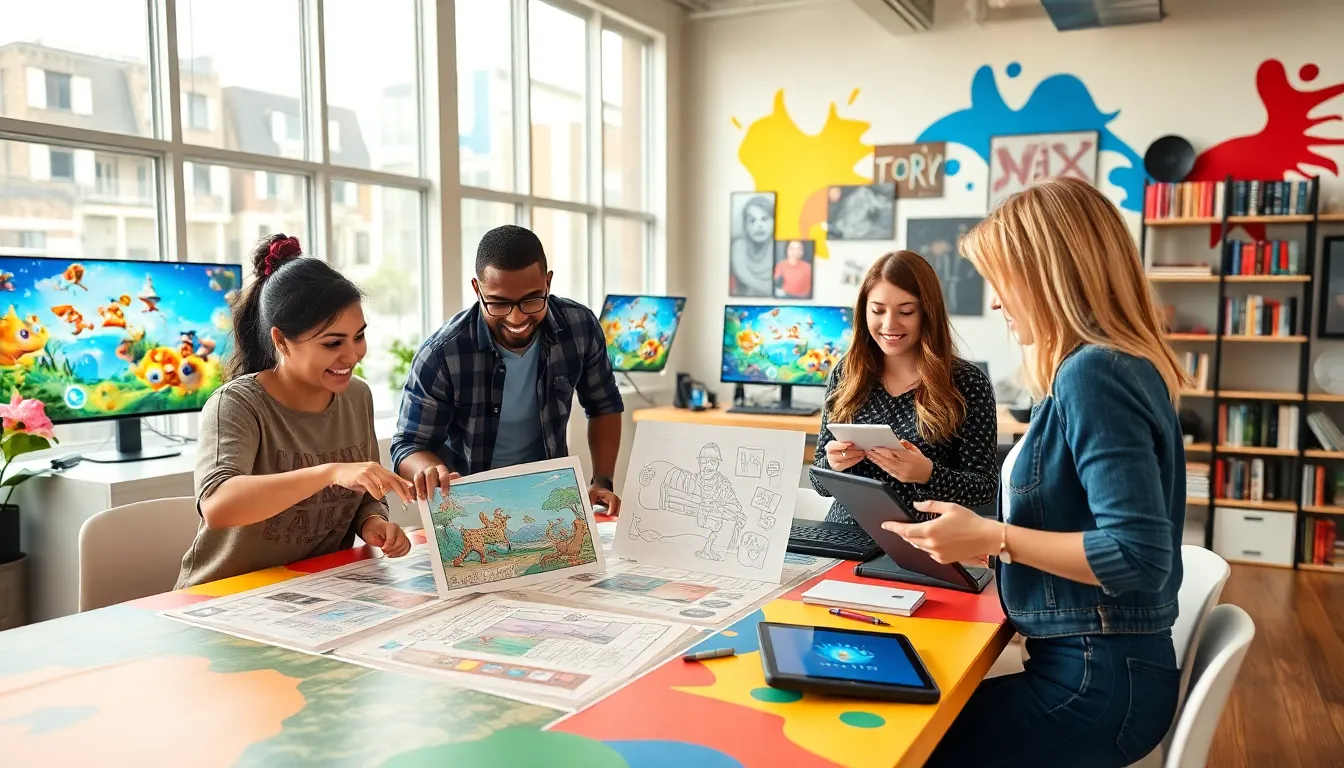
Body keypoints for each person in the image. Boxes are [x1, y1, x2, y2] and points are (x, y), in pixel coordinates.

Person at [892, 178, 1187, 768]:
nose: (996, 302)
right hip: (1097, 671)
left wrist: (996, 538)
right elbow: (1079, 518)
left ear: (1052, 275)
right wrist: (993, 543)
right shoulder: (1108, 365)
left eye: (1002, 282)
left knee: (901, 744)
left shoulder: (1092, 373)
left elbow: (1137, 555)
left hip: (1094, 686)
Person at [176, 235, 414, 589]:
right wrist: (330, 473)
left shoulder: (357, 395)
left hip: (316, 592)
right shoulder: (237, 404)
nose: (352, 355)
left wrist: (373, 525)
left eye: (358, 337)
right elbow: (218, 504)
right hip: (225, 596)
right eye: (333, 343)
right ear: (282, 341)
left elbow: (364, 498)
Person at [393, 224, 624, 514]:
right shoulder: (442, 354)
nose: (517, 318)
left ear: (548, 283)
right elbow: (408, 444)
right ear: (478, 290)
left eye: (531, 299)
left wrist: (602, 480)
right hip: (471, 504)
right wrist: (429, 469)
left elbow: (604, 405)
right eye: (499, 304)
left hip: (550, 496)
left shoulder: (579, 327)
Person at [812, 250, 998, 523]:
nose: (889, 324)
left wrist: (928, 474)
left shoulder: (967, 383)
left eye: (906, 311)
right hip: (845, 538)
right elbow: (818, 480)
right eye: (877, 310)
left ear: (927, 313)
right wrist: (832, 465)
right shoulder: (847, 372)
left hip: (923, 543)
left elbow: (985, 489)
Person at [729, 195, 775, 297]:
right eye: (752, 220)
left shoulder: (781, 249)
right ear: (745, 225)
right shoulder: (738, 247)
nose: (759, 226)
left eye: (764, 219)